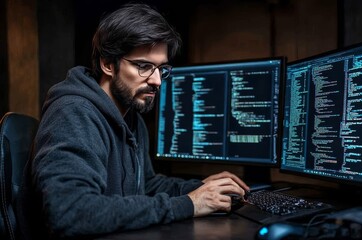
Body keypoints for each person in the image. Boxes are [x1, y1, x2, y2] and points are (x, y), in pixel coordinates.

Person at [17, 3, 249, 239]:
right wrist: (189, 204)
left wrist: (199, 188)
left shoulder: (131, 116)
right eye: (144, 66)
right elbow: (70, 212)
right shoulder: (73, 113)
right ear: (108, 64)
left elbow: (144, 185)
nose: (157, 81)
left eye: (161, 68)